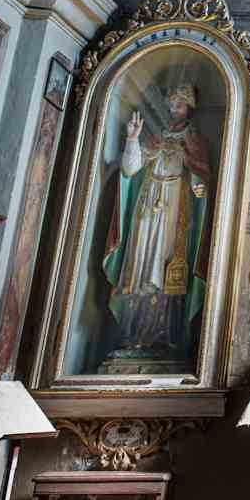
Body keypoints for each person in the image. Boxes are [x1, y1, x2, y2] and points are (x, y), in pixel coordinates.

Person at [102, 81, 212, 368]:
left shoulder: (195, 139)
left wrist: (188, 162)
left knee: (165, 268)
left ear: (190, 108)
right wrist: (132, 139)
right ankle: (133, 335)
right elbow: (130, 169)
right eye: (172, 104)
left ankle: (164, 337)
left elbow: (203, 179)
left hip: (176, 209)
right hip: (148, 207)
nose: (174, 109)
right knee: (141, 265)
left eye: (180, 104)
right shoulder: (155, 137)